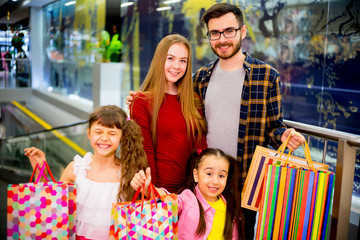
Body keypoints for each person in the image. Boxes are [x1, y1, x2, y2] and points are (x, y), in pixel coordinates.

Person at [127, 3, 305, 239]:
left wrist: (284, 135)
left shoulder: (266, 76)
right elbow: (169, 107)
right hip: (199, 186)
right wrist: (137, 101)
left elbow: (275, 126)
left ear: (242, 31)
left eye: (229, 31)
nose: (222, 39)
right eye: (215, 33)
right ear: (209, 37)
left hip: (242, 184)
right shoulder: (200, 78)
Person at [24, 105, 148, 240]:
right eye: (98, 132)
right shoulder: (76, 169)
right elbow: (53, 206)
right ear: (89, 133)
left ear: (122, 137)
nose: (105, 138)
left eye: (112, 133)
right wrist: (40, 170)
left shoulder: (129, 173)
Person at [130, 34, 207, 193]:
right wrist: (155, 193)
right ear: (159, 60)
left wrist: (200, 192)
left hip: (190, 195)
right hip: (158, 195)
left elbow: (201, 149)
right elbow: (144, 154)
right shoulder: (142, 101)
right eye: (170, 58)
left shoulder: (194, 101)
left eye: (183, 61)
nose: (177, 66)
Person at [131, 148, 244, 240]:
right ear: (196, 175)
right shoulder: (188, 198)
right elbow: (170, 200)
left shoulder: (229, 206)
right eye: (209, 173)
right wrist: (149, 189)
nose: (215, 181)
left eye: (221, 176)